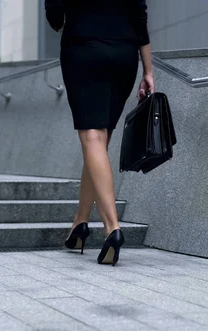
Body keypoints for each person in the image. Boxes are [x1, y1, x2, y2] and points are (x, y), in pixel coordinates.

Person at [45, 0, 154, 266]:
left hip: (83, 49)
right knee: (99, 142)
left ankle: (112, 230)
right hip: (124, 56)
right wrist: (148, 70)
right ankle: (79, 225)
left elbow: (55, 13)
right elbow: (139, 13)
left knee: (92, 137)